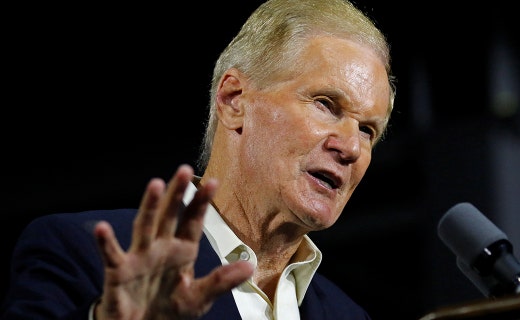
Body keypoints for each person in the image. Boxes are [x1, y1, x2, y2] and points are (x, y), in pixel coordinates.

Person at [1, 0, 396, 318]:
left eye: (368, 130)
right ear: (234, 101)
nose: (352, 148)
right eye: (326, 104)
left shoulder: (349, 313)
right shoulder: (85, 254)